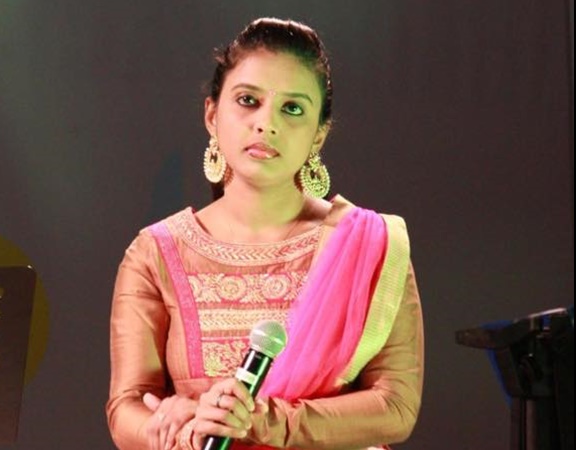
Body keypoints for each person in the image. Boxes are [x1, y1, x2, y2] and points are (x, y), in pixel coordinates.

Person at [106, 17, 424, 450]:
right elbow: (127, 407)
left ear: (319, 134)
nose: (266, 123)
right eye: (248, 100)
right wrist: (184, 426)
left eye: (292, 109)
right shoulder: (156, 252)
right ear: (212, 115)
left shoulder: (370, 245)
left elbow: (396, 407)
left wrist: (260, 420)